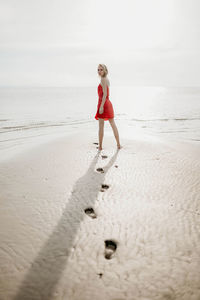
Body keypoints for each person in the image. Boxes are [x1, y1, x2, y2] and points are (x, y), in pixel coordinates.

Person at [95, 64, 122, 151]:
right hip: (108, 103)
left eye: (101, 69)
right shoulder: (106, 79)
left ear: (105, 70)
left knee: (101, 126)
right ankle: (118, 145)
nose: (99, 71)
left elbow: (105, 94)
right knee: (113, 124)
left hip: (103, 103)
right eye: (98, 70)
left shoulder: (103, 79)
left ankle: (100, 147)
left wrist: (101, 106)